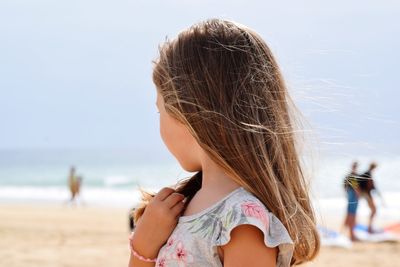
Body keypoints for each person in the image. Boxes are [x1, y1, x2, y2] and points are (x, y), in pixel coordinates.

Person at [129, 19, 320, 267]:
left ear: (187, 112)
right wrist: (143, 249)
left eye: (160, 111)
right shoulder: (184, 208)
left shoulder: (242, 221)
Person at [343, 161, 360, 241]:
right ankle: (352, 235)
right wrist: (357, 195)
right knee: (352, 215)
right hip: (353, 196)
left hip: (350, 196)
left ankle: (351, 234)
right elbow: (355, 187)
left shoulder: (348, 175)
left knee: (350, 214)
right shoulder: (353, 176)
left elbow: (345, 187)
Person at [358, 162, 378, 233]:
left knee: (373, 210)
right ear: (374, 167)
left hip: (364, 193)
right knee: (374, 210)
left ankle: (369, 227)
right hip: (366, 194)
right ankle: (369, 227)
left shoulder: (366, 173)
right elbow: (369, 186)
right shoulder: (368, 174)